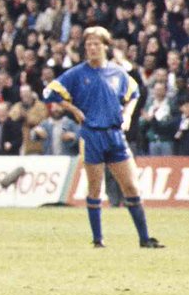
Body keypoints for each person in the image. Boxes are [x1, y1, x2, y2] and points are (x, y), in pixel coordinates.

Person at [43, 26, 164, 248]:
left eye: (96, 44)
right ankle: (98, 239)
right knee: (95, 188)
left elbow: (135, 93)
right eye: (88, 44)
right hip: (91, 135)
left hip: (115, 135)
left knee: (131, 187)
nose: (92, 48)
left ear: (105, 47)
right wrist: (73, 110)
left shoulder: (117, 73)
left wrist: (127, 115)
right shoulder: (77, 73)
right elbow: (49, 92)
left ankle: (145, 238)